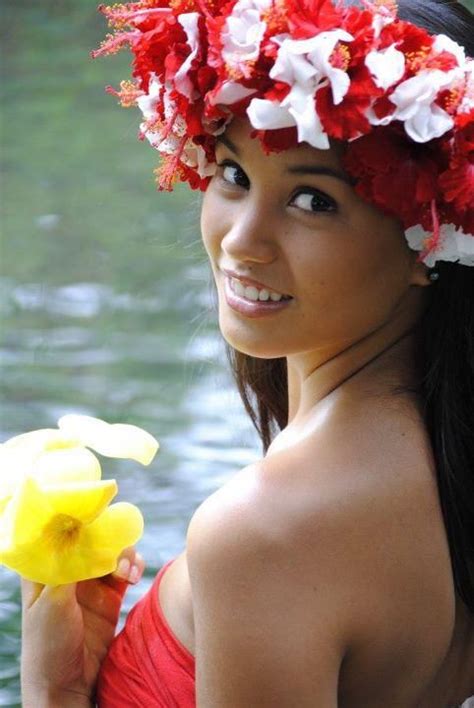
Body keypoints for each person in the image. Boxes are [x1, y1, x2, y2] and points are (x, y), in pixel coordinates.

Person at [21, 0, 474, 705]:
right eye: (234, 175)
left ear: (433, 236)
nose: (241, 241)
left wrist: (49, 698)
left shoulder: (265, 532)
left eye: (313, 201)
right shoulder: (443, 465)